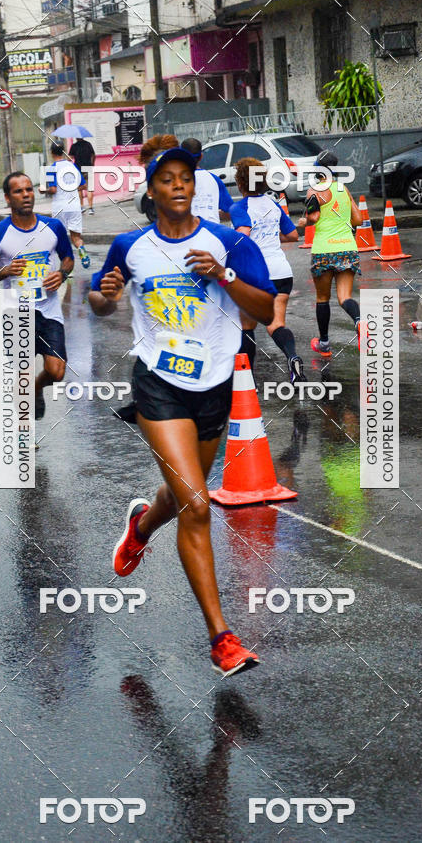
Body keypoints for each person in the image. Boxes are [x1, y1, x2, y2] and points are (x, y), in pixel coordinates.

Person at [88, 147, 277, 676]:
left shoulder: (228, 242)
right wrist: (103, 296)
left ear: (195, 188)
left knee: (179, 492)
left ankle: (141, 528)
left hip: (214, 385)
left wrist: (223, 275)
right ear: (151, 191)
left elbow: (264, 310)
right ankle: (221, 638)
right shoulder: (130, 246)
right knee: (197, 505)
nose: (178, 186)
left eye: (186, 179)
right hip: (158, 385)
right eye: (166, 179)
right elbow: (101, 303)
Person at [0, 172, 74, 420]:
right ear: (8, 198)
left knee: (57, 371)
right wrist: (4, 271)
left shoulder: (53, 227)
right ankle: (23, 433)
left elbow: (68, 258)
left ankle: (36, 388)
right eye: (19, 191)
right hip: (15, 311)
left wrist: (61, 274)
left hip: (49, 309)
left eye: (29, 189)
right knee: (21, 374)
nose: (26, 195)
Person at [229, 157, 305, 383]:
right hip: (281, 272)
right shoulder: (273, 204)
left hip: (256, 274)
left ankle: (247, 382)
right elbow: (292, 235)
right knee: (276, 325)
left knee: (246, 326)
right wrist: (270, 235)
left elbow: (243, 235)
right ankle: (292, 357)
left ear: (241, 184)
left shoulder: (240, 207)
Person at [298, 150, 363, 356]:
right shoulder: (344, 189)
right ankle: (360, 322)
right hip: (347, 247)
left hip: (324, 250)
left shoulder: (314, 191)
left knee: (322, 298)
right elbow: (358, 219)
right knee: (345, 297)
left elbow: (314, 217)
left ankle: (324, 343)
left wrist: (303, 222)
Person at [41, 143, 90, 268]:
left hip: (60, 207)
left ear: (52, 153)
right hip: (74, 206)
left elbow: (53, 190)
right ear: (63, 151)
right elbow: (84, 185)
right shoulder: (72, 166)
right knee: (76, 238)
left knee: (60, 239)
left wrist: (43, 190)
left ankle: (67, 267)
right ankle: (82, 250)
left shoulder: (52, 168)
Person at [180, 137, 233, 223]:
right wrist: (211, 213)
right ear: (201, 156)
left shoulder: (174, 182)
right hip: (211, 232)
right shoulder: (214, 180)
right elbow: (230, 213)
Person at [69, 136, 95, 213]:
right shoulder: (88, 144)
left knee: (79, 189)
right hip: (88, 168)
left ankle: (82, 206)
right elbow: (93, 155)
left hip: (78, 169)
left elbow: (70, 158)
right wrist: (92, 164)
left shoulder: (74, 146)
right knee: (89, 188)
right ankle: (90, 208)